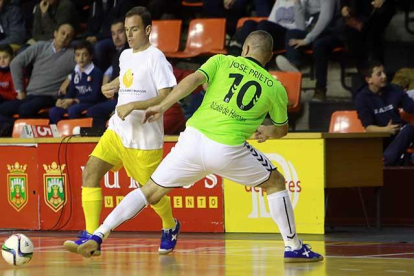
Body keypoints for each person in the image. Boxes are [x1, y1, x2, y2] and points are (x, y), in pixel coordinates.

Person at [75, 30, 324, 263]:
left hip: (191, 140)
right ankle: (293, 246)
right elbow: (282, 130)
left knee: (149, 191)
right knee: (275, 182)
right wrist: (267, 131)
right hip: (227, 148)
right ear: (269, 57)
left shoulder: (222, 61)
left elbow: (192, 81)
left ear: (246, 47)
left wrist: (162, 106)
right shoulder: (275, 88)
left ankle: (98, 235)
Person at [63, 6, 179, 256]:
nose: (129, 34)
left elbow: (166, 94)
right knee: (91, 171)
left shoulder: (156, 57)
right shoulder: (125, 55)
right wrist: (114, 85)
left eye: (134, 29)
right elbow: (130, 78)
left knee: (154, 194)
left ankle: (170, 225)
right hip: (117, 131)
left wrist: (135, 104)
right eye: (126, 30)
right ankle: (90, 237)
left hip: (143, 141)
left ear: (148, 29)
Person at [0, 23, 75, 119]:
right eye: (63, 33)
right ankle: (8, 129)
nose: (65, 37)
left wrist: (69, 78)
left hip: (49, 97)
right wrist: (20, 90)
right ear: (55, 33)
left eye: (69, 36)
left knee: (25, 109)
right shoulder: (41, 46)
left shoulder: (73, 54)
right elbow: (16, 63)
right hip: (30, 94)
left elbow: (85, 68)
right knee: (2, 109)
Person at [275, 0, 344, 101]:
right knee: (292, 33)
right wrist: (297, 3)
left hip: (333, 33)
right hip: (315, 35)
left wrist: (307, 40)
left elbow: (325, 19)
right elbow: (301, 27)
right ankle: (294, 67)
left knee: (319, 45)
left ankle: (320, 90)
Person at [356, 60, 414, 166]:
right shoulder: (362, 98)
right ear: (369, 80)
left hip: (399, 133)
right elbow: (368, 127)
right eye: (379, 74)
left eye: (384, 72)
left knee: (410, 129)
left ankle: (385, 162)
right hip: (380, 138)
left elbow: (411, 107)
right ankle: (387, 161)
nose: (384, 76)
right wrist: (386, 129)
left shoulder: (394, 90)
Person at [85, 18, 128, 128]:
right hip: (115, 96)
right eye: (113, 34)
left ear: (127, 32)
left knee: (93, 111)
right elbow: (112, 68)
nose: (116, 37)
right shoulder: (117, 52)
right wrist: (107, 74)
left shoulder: (128, 52)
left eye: (120, 32)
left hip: (125, 98)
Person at [49, 40, 104, 124]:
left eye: (84, 55)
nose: (81, 58)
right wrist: (62, 101)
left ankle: (78, 134)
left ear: (91, 56)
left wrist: (75, 100)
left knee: (73, 110)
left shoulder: (96, 72)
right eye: (78, 55)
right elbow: (71, 92)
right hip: (75, 102)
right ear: (75, 57)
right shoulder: (75, 73)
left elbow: (94, 96)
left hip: (90, 103)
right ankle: (60, 134)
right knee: (54, 111)